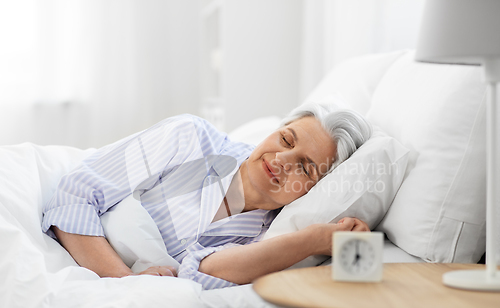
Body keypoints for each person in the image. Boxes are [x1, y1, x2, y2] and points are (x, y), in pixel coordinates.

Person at [42, 102, 372, 290]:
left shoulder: (271, 231)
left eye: (305, 167)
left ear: (316, 188)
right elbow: (76, 197)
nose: (281, 160)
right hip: (61, 252)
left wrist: (313, 240)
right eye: (286, 140)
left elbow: (206, 272)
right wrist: (127, 283)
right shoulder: (189, 138)